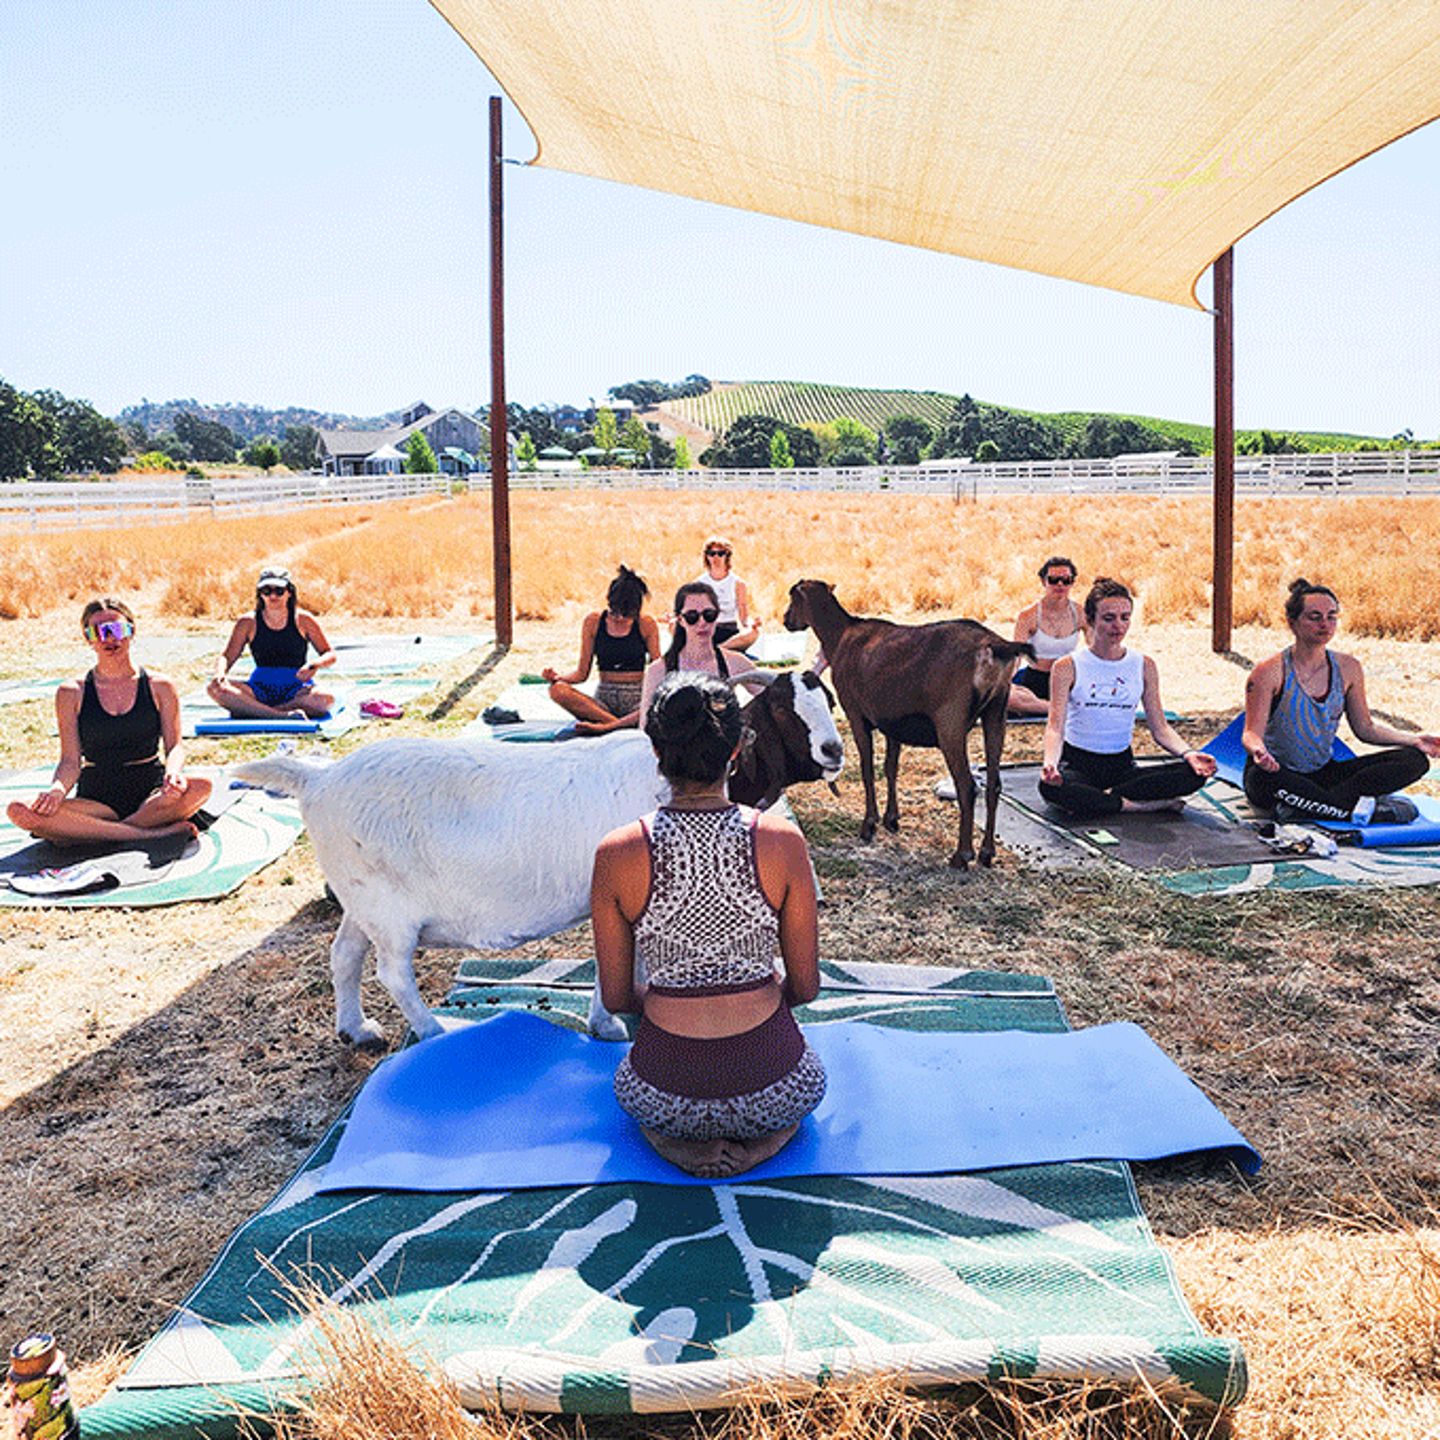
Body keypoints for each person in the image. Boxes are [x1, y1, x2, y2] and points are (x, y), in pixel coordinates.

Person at [592, 672, 826, 1178]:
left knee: (634, 1098)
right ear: (737, 751)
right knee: (807, 1089)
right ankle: (766, 1143)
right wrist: (750, 993)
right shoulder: (782, 842)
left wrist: (672, 997)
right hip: (775, 1092)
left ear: (656, 752)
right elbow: (805, 987)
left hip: (664, 1097)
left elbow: (615, 1000)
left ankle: (671, 1144)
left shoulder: (617, 853)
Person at [7, 599, 212, 845]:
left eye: (116, 629)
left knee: (202, 786)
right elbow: (70, 760)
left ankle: (94, 833)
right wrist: (57, 790)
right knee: (18, 810)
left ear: (131, 631)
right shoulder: (71, 692)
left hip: (152, 794)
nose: (108, 639)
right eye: (98, 632)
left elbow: (175, 746)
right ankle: (147, 833)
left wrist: (173, 772)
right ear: (88, 639)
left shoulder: (160, 686)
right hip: (97, 798)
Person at [1241, 578, 1438, 824]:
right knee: (1263, 779)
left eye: (1331, 616)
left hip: (1323, 774)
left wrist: (1415, 740)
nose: (1325, 624)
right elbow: (1251, 734)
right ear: (1292, 623)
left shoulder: (1348, 668)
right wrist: (1259, 752)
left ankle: (1310, 806)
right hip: (1277, 774)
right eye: (1314, 617)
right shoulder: (1268, 671)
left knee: (1413, 760)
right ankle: (1359, 812)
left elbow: (1365, 729)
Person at [1040, 578, 1216, 817]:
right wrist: (1050, 764)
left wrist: (1189, 753)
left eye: (1125, 617)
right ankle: (1136, 805)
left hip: (1122, 766)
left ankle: (1106, 799)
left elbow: (1160, 728)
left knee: (1194, 775)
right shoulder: (1067, 666)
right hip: (1078, 765)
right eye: (1109, 618)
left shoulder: (1143, 665)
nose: (1118, 626)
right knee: (1052, 790)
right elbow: (1055, 726)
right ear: (1091, 620)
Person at [542, 565, 661, 734]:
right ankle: (616, 725)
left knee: (663, 702)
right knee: (557, 690)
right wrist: (557, 677)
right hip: (603, 702)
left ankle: (609, 727)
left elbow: (658, 671)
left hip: (637, 698)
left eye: (626, 615)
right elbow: (581, 673)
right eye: (616, 613)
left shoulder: (646, 624)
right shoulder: (593, 622)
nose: (620, 618)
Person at [209, 566, 336, 719]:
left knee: (324, 699)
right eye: (267, 591)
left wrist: (314, 665)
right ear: (260, 594)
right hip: (258, 688)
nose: (273, 596)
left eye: (279, 591)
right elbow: (227, 656)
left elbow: (329, 653)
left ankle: (253, 710)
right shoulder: (248, 622)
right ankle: (278, 715)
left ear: (289, 592)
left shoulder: (303, 620)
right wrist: (219, 673)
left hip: (297, 688)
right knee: (215, 689)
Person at [639, 581, 760, 726]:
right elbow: (646, 727)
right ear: (680, 620)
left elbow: (772, 698)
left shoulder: (736, 663)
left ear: (717, 617)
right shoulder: (658, 671)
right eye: (692, 617)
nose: (702, 623)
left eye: (709, 615)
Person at [1009, 555, 1085, 717]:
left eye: (1066, 580)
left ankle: (1053, 707)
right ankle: (1061, 709)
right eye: (1053, 579)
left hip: (1067, 679)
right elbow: (1016, 656)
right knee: (1008, 698)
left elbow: (1095, 650)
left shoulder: (1080, 613)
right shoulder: (1028, 616)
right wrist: (1005, 681)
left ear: (1072, 582)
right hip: (1034, 679)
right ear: (1043, 582)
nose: (1060, 584)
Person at [693, 536, 759, 651]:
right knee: (674, 626)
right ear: (706, 556)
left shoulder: (738, 583)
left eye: (720, 553)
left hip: (729, 631)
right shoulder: (699, 583)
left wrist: (752, 624)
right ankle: (712, 650)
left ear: (727, 556)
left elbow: (743, 616)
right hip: (707, 630)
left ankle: (718, 650)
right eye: (711, 553)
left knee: (753, 633)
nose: (716, 557)